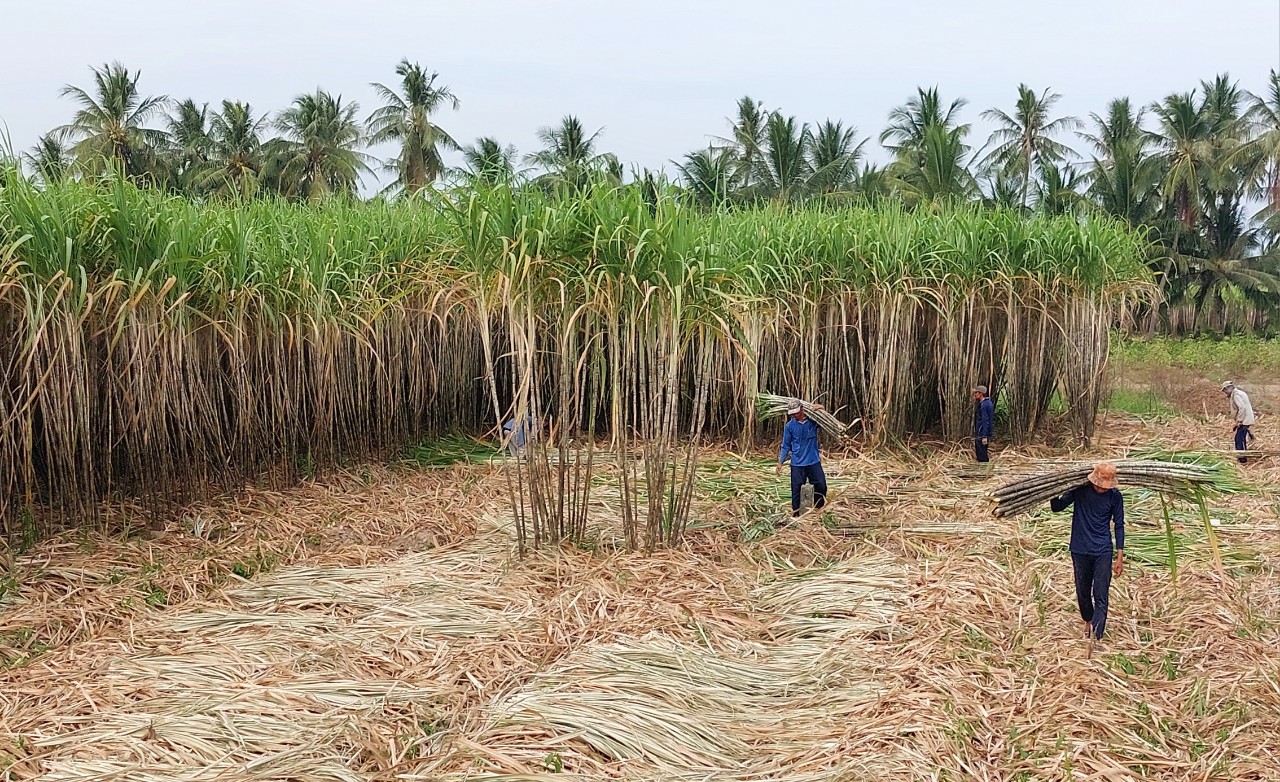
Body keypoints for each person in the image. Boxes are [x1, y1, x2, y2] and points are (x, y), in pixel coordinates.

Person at [1050, 461, 1124, 644]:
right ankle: (1088, 620)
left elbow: (1119, 525)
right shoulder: (1080, 490)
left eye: (1105, 486)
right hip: (1080, 548)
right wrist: (1051, 490)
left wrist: (1119, 556)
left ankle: (1096, 636)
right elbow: (1057, 507)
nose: (1101, 489)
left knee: (1100, 593)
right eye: (1099, 485)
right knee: (1082, 592)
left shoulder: (1115, 496)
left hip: (1103, 551)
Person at [776, 399, 827, 517]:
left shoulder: (813, 421)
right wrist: (780, 462)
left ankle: (818, 509)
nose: (794, 415)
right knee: (796, 490)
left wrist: (821, 409)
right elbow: (786, 445)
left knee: (821, 485)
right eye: (792, 414)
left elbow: (826, 421)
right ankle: (796, 514)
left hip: (813, 460)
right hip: (797, 463)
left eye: (796, 413)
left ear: (802, 409)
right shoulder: (790, 426)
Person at [1221, 381, 1255, 463]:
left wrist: (1239, 421)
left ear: (1227, 388)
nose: (1225, 392)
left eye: (1224, 390)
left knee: (1239, 439)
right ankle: (1242, 457)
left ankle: (1242, 459)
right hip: (1245, 419)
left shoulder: (1236, 395)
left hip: (1244, 420)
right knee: (1240, 438)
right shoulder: (1239, 393)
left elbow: (1242, 408)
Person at [973, 385, 994, 463]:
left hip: (981, 432)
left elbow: (985, 421)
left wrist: (984, 436)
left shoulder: (984, 405)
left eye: (976, 393)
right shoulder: (988, 403)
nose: (975, 394)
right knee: (983, 452)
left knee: (982, 455)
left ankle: (983, 471)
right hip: (983, 432)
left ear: (981, 393)